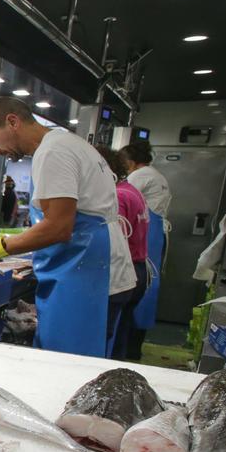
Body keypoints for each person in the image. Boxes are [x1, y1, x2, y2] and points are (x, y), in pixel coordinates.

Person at [0, 97, 135, 358]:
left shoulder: (53, 152)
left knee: (69, 366)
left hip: (88, 275)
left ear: (12, 122)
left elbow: (58, 228)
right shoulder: (65, 143)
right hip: (91, 266)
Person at [120, 141, 172, 359]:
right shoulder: (157, 175)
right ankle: (133, 347)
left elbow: (123, 200)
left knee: (137, 289)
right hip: (154, 233)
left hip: (146, 234)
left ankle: (130, 348)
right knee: (147, 287)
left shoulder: (139, 177)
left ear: (130, 162)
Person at [97, 146, 149, 360]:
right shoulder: (131, 190)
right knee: (119, 335)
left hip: (122, 273)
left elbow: (113, 242)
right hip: (136, 271)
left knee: (109, 340)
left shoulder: (118, 196)